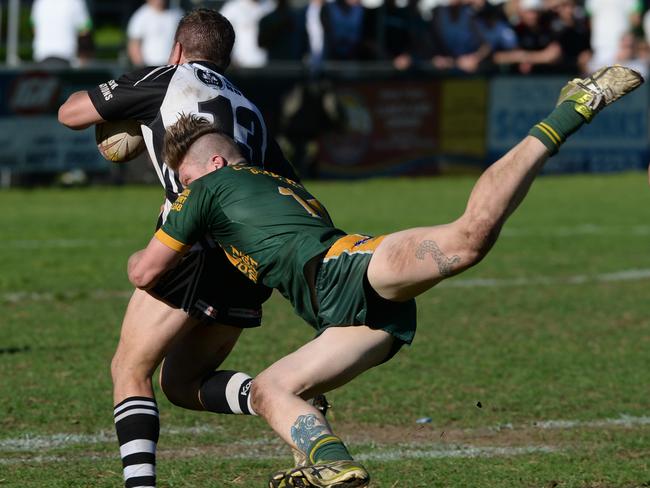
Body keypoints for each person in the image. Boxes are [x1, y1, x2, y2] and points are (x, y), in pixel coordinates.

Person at [127, 65, 643, 487]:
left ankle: (572, 108)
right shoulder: (275, 182)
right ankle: (330, 459)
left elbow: (147, 271)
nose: (180, 188)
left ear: (213, 162)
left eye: (185, 179)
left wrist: (164, 222)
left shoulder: (204, 191)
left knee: (468, 240)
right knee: (270, 390)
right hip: (351, 315)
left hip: (348, 271)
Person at [58, 9, 305, 488]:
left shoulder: (166, 77)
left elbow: (70, 112)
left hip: (195, 239)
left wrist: (126, 107)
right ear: (226, 59)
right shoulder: (248, 106)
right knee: (183, 385)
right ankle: (284, 400)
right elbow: (283, 184)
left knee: (129, 369)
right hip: (248, 256)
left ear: (175, 49)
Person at [30, 0, 93, 68]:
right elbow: (84, 31)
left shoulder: (39, 2)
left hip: (41, 56)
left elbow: (34, 29)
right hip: (65, 55)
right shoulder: (75, 2)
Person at [127, 0, 184, 67]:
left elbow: (184, 40)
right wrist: (141, 68)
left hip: (173, 66)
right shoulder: (140, 16)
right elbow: (134, 44)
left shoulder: (177, 13)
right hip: (149, 67)